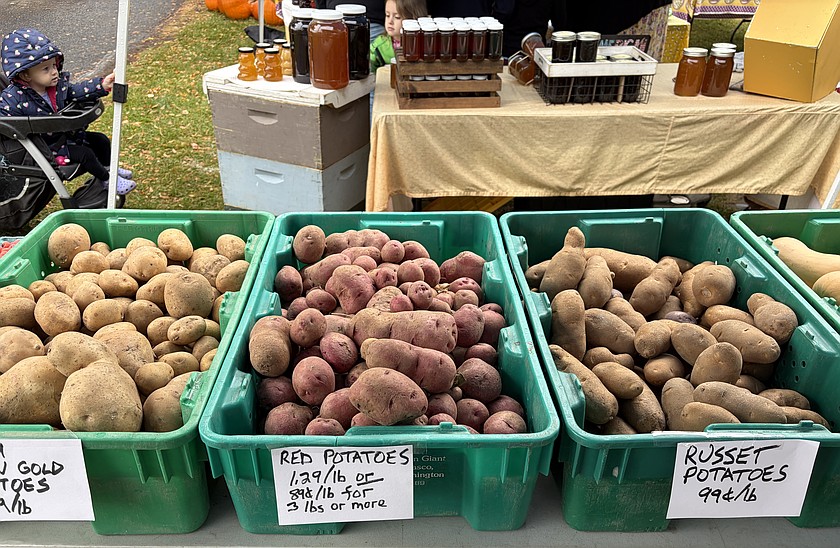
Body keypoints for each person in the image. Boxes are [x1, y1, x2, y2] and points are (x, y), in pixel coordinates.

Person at [0, 28, 135, 195]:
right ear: (26, 75)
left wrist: (102, 85)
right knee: (85, 154)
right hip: (48, 150)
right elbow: (6, 123)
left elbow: (77, 91)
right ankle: (106, 179)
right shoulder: (13, 99)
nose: (54, 72)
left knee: (101, 140)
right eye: (46, 69)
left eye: (54, 65)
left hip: (68, 137)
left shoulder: (57, 86)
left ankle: (110, 170)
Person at [369, 0, 428, 72]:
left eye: (397, 17)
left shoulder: (426, 45)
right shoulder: (377, 47)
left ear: (413, 19)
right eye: (387, 15)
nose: (390, 21)